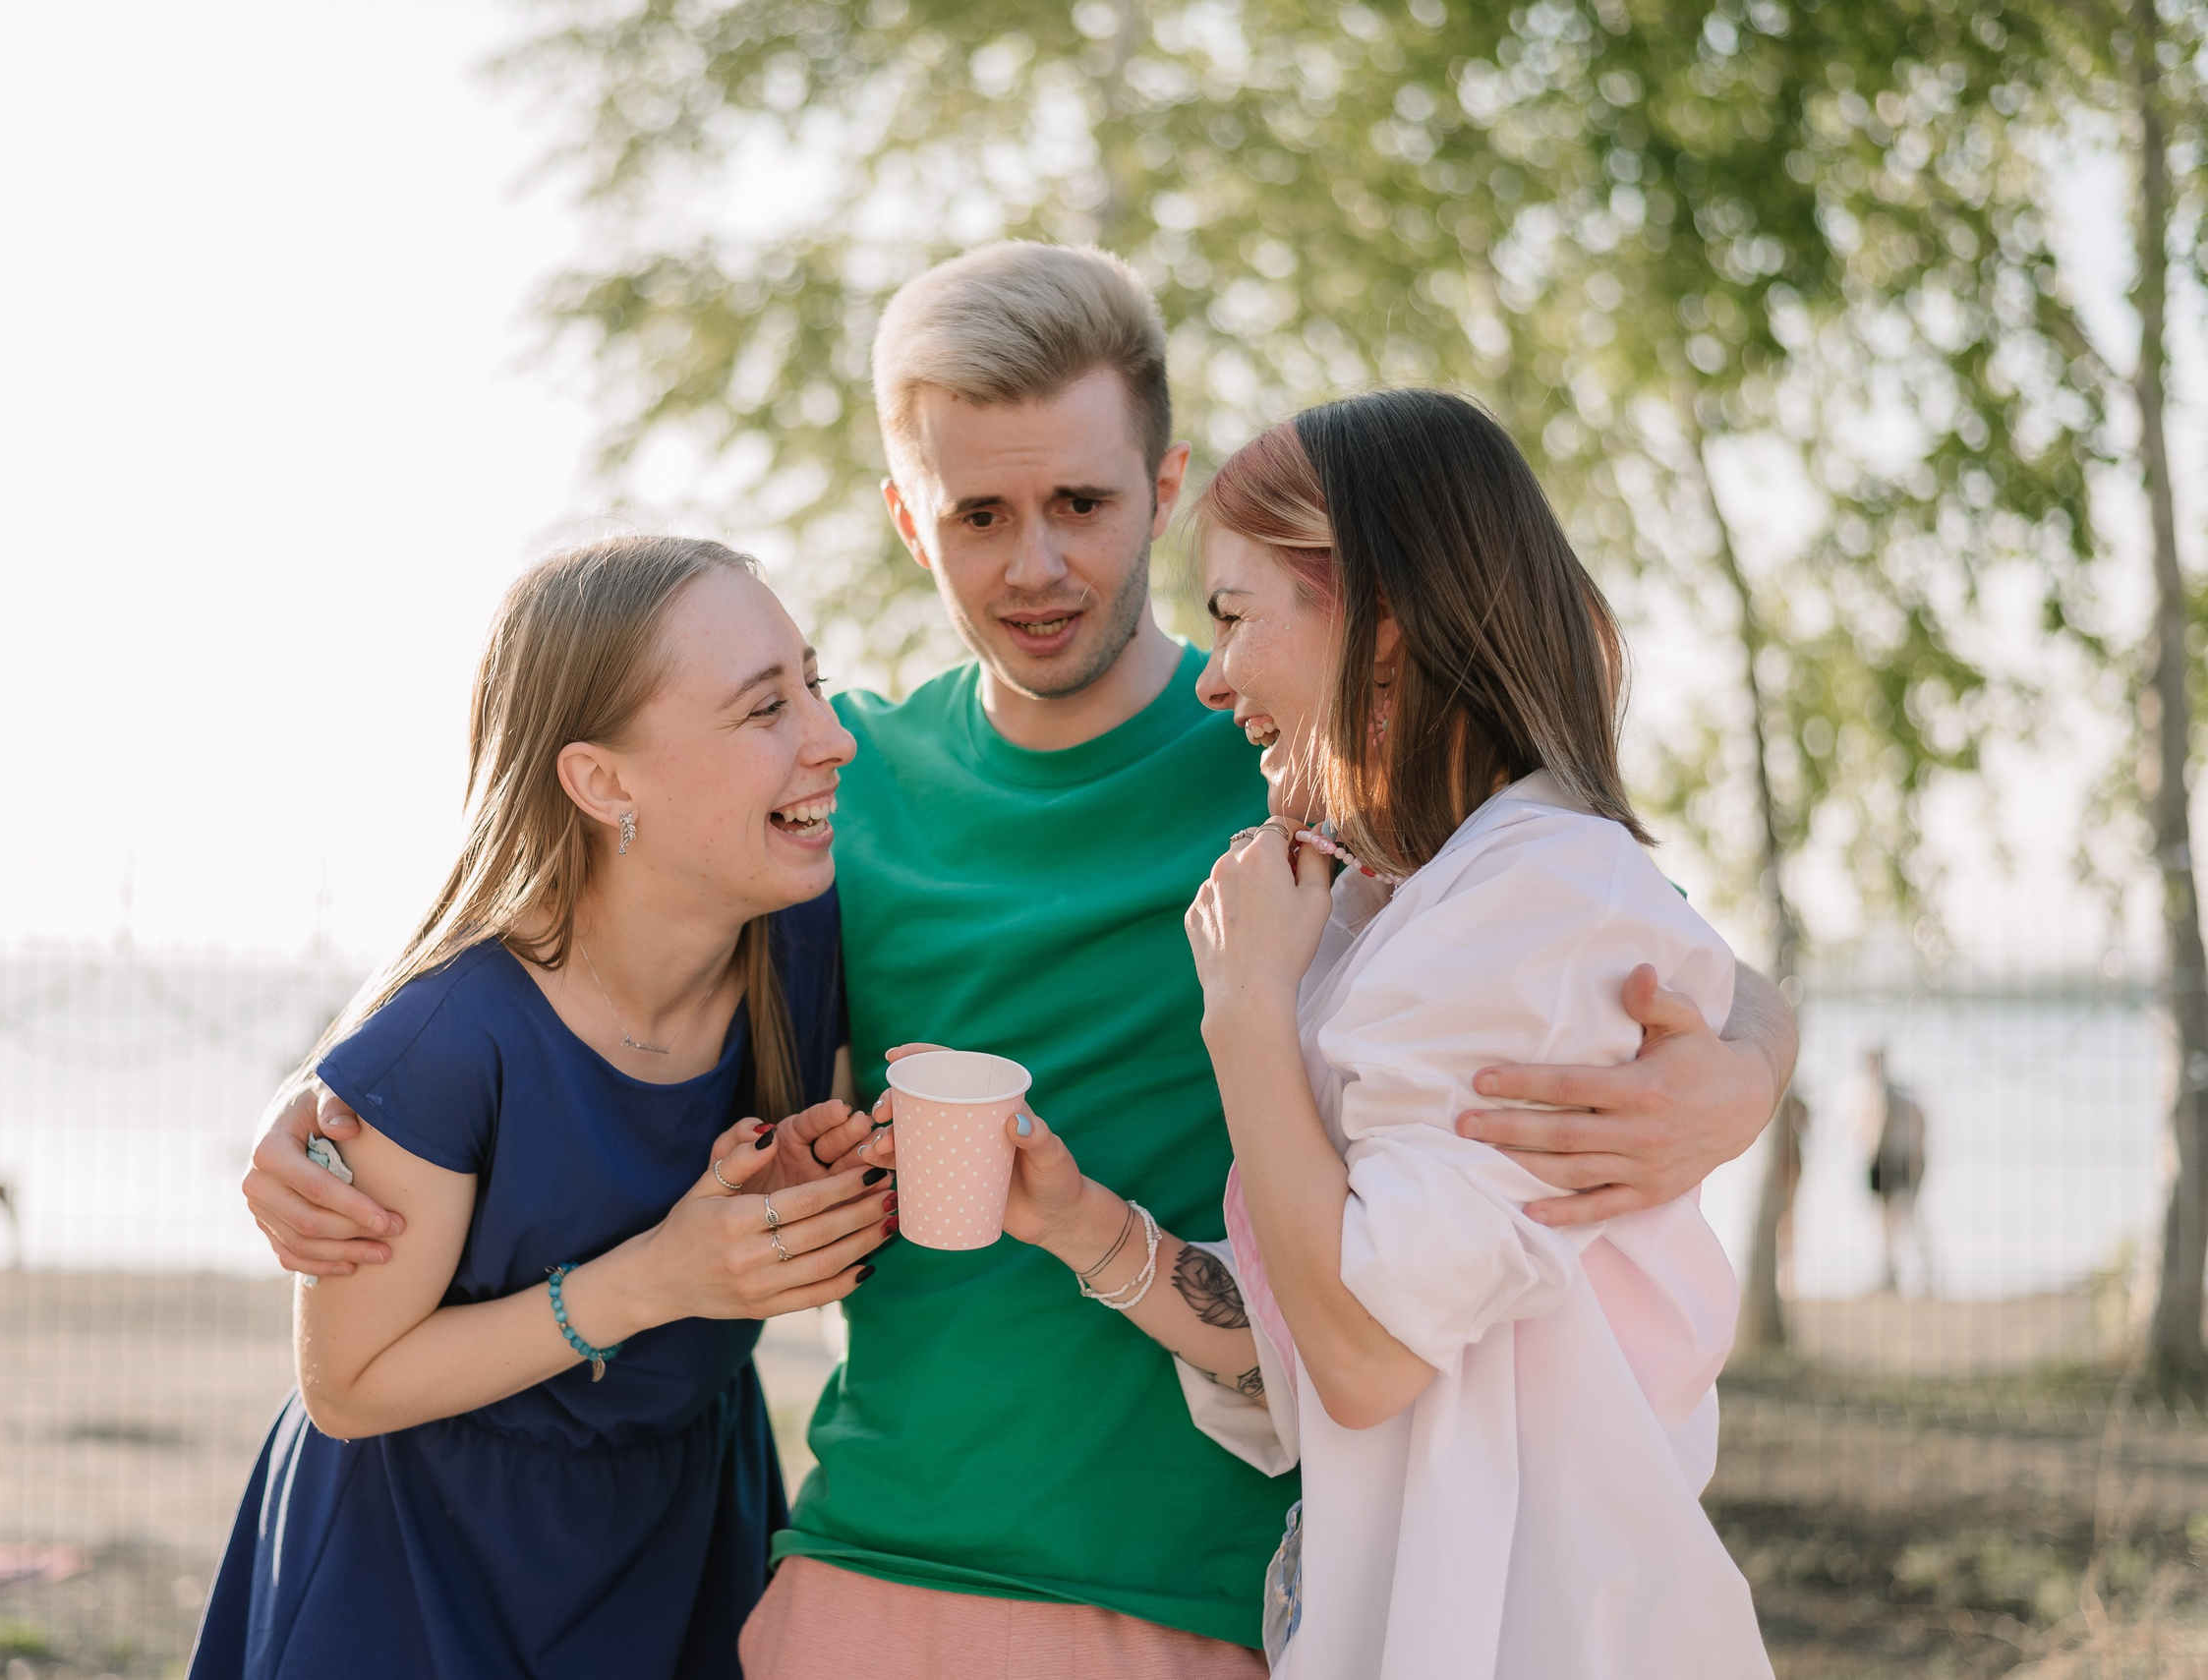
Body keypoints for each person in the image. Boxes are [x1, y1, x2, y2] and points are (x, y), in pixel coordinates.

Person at [243, 245, 1800, 1676]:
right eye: (980, 515)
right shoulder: (841, 789)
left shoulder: (1287, 752)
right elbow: (587, 951)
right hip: (872, 1554)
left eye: (1084, 504)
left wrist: (1744, 1073)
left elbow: (1619, 932)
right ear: (909, 518)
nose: (1036, 563)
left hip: (1206, 1582)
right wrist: (326, 1088)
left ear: (1164, 484)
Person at [959, 395, 1770, 1675]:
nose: (1212, 675)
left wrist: (1244, 1013)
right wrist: (1087, 1229)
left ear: (1382, 625)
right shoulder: (1401, 909)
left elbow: (1368, 1353)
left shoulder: (1540, 908)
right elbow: (1299, 1312)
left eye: (1233, 616)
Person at [189, 537, 895, 1680]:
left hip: (687, 1527)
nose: (832, 735)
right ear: (603, 780)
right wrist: (661, 1277)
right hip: (417, 1566)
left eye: (810, 680)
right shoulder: (447, 1043)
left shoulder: (807, 940)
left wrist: (807, 1193)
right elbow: (347, 1385)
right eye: (766, 706)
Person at [1860, 1046, 1931, 1296]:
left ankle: (1923, 1275)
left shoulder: (1901, 1095)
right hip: (1879, 1162)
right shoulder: (1865, 1094)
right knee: (1881, 1221)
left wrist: (1917, 1159)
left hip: (1900, 1160)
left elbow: (1920, 1124)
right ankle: (1888, 1274)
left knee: (1906, 1219)